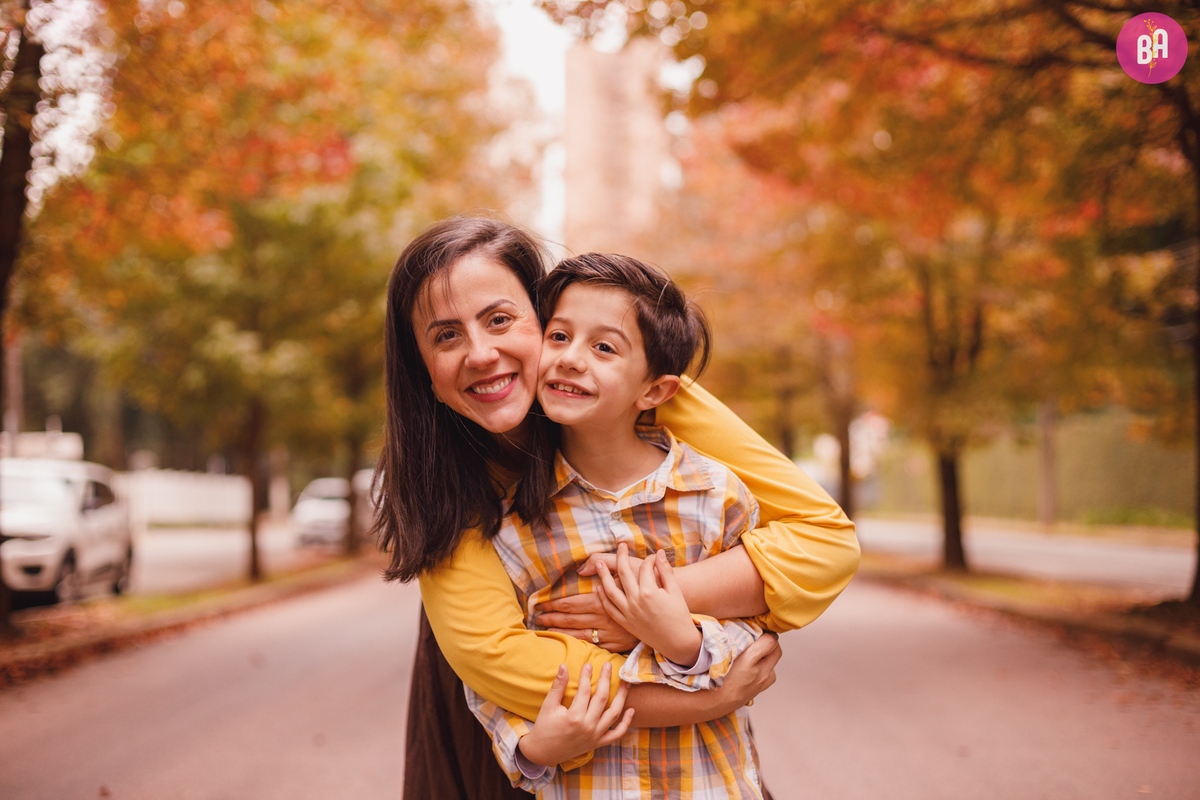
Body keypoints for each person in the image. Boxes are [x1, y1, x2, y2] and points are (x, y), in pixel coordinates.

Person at [374, 217, 859, 800]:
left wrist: (648, 601)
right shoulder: (443, 485)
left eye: (501, 319)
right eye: (445, 336)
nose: (481, 353)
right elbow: (503, 665)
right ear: (422, 367)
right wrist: (706, 697)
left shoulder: (645, 396)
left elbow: (824, 542)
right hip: (523, 738)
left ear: (541, 315)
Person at [464, 252, 770, 798]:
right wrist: (532, 749)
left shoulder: (714, 497)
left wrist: (684, 640)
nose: (571, 359)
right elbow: (498, 682)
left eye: (603, 347)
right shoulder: (515, 525)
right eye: (558, 337)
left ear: (655, 391)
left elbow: (761, 634)